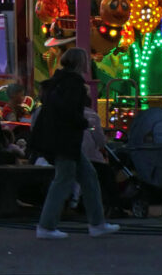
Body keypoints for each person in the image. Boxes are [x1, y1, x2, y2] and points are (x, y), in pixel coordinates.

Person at [32, 48, 119, 239]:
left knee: (88, 177)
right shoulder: (74, 85)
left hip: (58, 139)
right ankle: (47, 225)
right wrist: (84, 123)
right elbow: (69, 112)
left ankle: (97, 223)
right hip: (66, 140)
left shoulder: (57, 83)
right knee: (65, 180)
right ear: (82, 63)